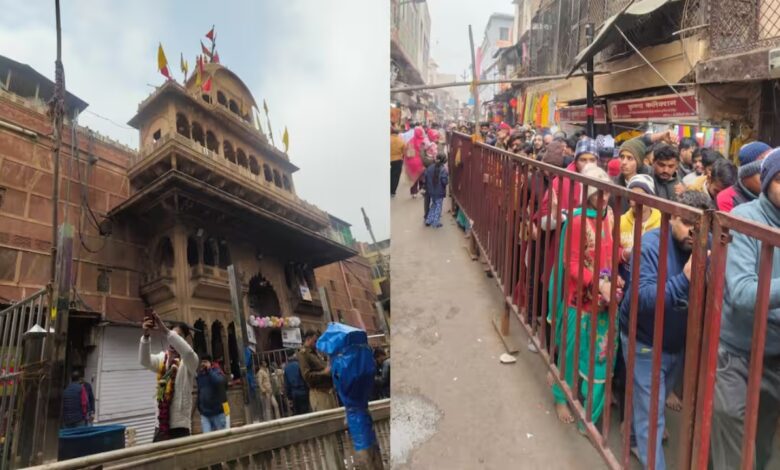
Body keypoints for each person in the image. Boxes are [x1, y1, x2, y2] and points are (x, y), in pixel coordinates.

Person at [619, 190, 713, 469]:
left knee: (651, 404)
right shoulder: (650, 245)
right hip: (644, 338)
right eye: (686, 223)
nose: (693, 232)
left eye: (699, 226)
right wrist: (684, 280)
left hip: (676, 341)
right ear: (672, 218)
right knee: (652, 415)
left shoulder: (706, 244)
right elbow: (642, 298)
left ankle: (633, 437)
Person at [710, 148, 780, 469]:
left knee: (762, 443)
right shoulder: (745, 219)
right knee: (733, 440)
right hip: (737, 354)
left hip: (775, 357)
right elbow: (741, 292)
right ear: (766, 181)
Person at [548, 164, 620, 430]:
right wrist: (598, 282)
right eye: (597, 192)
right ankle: (561, 398)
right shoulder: (578, 220)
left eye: (606, 192)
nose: (603, 197)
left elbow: (612, 251)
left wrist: (618, 266)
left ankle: (590, 413)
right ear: (587, 193)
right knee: (570, 351)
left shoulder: (609, 216)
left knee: (600, 356)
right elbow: (572, 263)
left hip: (605, 300)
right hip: (579, 300)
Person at [139, 312, 198, 441]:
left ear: (184, 340)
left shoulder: (189, 362)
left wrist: (166, 331)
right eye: (173, 334)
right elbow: (144, 361)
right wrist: (146, 336)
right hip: (160, 424)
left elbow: (188, 352)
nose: (173, 339)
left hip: (180, 426)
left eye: (179, 336)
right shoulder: (162, 359)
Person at [297, 330, 338, 411]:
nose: (317, 343)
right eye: (315, 341)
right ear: (308, 339)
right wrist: (323, 373)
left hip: (329, 391)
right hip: (319, 393)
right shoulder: (303, 354)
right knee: (326, 417)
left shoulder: (316, 352)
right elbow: (307, 376)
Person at [613, 138, 649, 214]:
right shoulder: (613, 185)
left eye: (630, 158)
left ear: (638, 162)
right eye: (622, 157)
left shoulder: (648, 184)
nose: (624, 162)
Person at [196, 355, 227, 432]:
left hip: (218, 413)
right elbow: (200, 391)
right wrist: (199, 407)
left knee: (221, 437)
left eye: (205, 362)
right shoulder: (200, 375)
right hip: (205, 414)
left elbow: (218, 382)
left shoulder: (217, 371)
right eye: (202, 362)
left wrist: (209, 370)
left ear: (210, 363)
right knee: (207, 437)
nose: (203, 364)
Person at [424, 153, 449, 228]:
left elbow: (425, 177)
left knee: (433, 205)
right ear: (444, 161)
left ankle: (428, 220)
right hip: (439, 192)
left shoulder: (430, 167)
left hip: (431, 191)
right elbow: (444, 182)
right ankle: (436, 222)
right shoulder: (443, 170)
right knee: (438, 206)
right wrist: (447, 180)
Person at [284, 351, 311, 415]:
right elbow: (305, 378)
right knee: (307, 412)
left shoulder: (286, 369)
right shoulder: (299, 365)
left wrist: (289, 397)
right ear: (294, 355)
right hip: (304, 391)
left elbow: (287, 385)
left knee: (298, 414)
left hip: (294, 394)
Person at [405, 127, 426, 198]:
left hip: (412, 163)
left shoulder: (410, 141)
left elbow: (408, 154)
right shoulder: (423, 141)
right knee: (422, 177)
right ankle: (422, 189)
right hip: (421, 162)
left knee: (414, 178)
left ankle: (414, 193)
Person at [390, 126, 405, 197]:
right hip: (397, 160)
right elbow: (404, 152)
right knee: (395, 176)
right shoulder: (401, 141)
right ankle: (393, 191)